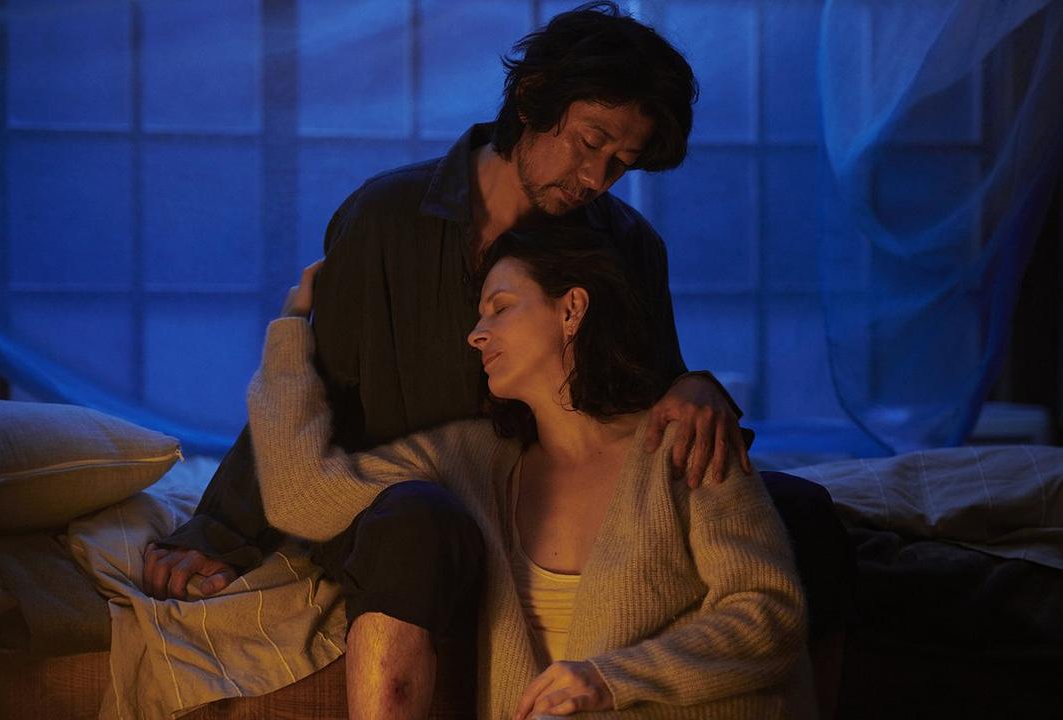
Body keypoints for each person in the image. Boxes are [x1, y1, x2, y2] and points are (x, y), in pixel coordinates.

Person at [142, 3, 852, 713]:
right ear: (533, 97)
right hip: (422, 500)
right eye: (589, 141)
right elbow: (315, 388)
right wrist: (221, 531)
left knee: (804, 512)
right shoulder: (387, 217)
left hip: (562, 500)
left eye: (620, 163)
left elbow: (644, 398)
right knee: (419, 521)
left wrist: (699, 387)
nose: (596, 177)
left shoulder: (626, 243)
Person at [249, 228, 816, 719]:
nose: (476, 334)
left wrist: (609, 678)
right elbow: (302, 496)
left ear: (571, 310)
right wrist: (290, 328)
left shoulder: (684, 441)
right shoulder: (473, 460)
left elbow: (768, 613)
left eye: (499, 307)